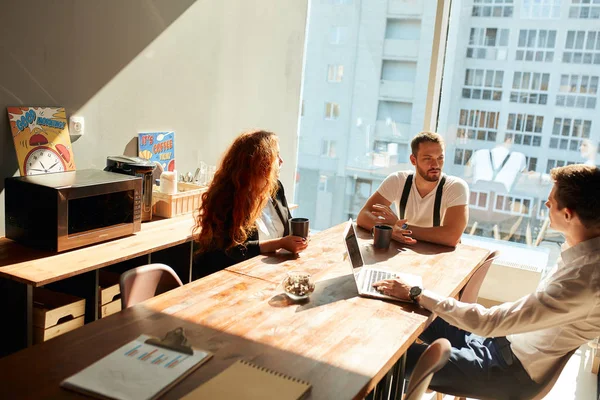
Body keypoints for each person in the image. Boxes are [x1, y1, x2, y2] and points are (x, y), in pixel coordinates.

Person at [373, 164, 600, 399]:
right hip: (497, 343)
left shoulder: (583, 281)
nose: (546, 204)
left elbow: (489, 322)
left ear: (568, 214)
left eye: (551, 201)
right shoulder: (580, 254)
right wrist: (417, 296)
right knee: (411, 312)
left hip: (503, 370)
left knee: (386, 355)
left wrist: (417, 292)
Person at [192, 130, 308, 280]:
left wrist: (298, 239)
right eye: (276, 156)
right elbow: (232, 251)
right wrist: (280, 243)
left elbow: (287, 230)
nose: (281, 161)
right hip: (232, 279)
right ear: (262, 163)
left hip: (268, 274)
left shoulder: (275, 189)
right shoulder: (229, 197)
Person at [357, 131, 469, 247]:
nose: (435, 164)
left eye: (440, 158)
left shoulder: (455, 187)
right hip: (405, 251)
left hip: (439, 257)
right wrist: (391, 229)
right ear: (413, 160)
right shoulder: (398, 180)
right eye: (428, 158)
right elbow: (363, 216)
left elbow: (451, 237)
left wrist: (401, 228)